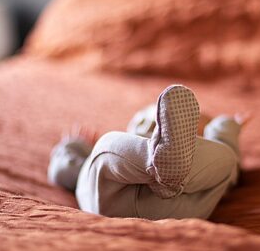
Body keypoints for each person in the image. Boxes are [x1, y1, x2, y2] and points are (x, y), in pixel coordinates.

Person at [48, 85, 244, 221]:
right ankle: (161, 162)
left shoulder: (94, 160)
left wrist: (71, 146)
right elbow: (60, 171)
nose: (153, 125)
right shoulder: (125, 146)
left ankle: (166, 166)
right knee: (226, 160)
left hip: (173, 198)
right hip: (142, 200)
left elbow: (60, 169)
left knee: (225, 160)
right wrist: (225, 128)